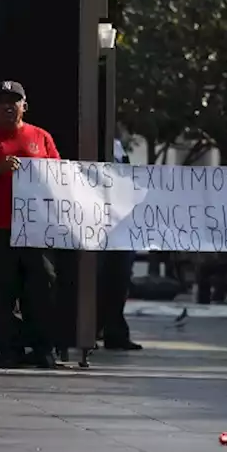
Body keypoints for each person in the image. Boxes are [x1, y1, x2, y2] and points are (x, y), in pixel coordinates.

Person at [0, 81, 61, 369]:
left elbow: (61, 179)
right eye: (2, 101)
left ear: (24, 106)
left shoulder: (41, 138)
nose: (8, 106)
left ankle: (43, 349)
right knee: (1, 293)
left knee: (42, 289)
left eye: (14, 101)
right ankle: (9, 350)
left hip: (36, 230)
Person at [97, 136, 141, 351]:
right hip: (96, 223)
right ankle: (93, 329)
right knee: (97, 278)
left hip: (121, 223)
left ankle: (115, 332)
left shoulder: (117, 146)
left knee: (119, 279)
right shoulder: (92, 141)